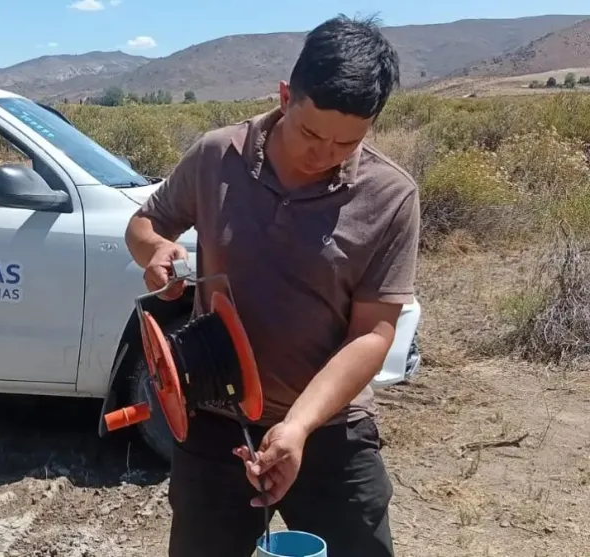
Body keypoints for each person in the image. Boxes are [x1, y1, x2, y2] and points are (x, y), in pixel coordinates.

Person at [124, 14, 419, 557]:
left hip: (332, 429)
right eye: (311, 133)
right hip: (215, 419)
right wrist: (156, 253)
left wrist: (298, 428)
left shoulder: (391, 195)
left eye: (346, 142)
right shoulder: (217, 155)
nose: (324, 153)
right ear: (286, 96)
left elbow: (372, 336)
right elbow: (144, 226)